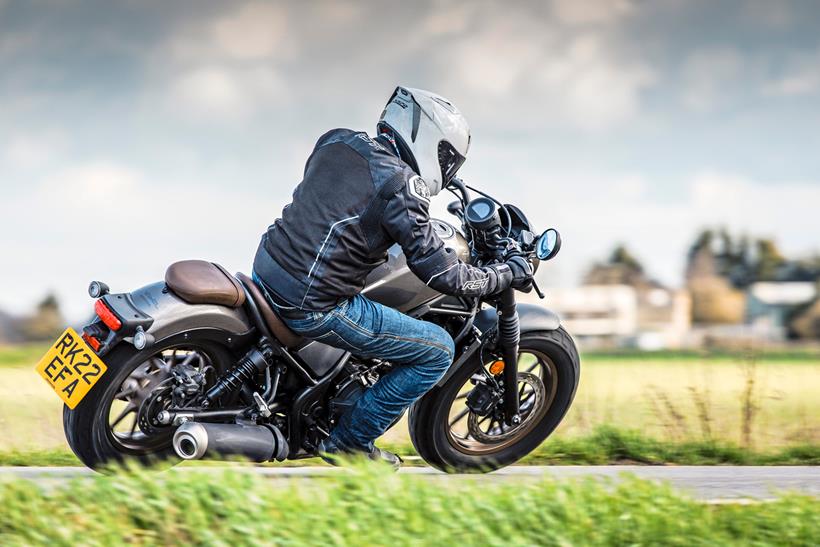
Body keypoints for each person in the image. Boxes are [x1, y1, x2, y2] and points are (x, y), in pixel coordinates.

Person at [252, 86, 533, 468]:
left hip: (269, 265)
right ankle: (349, 443)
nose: (449, 169)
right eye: (448, 158)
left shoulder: (337, 141)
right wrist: (501, 274)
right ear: (432, 142)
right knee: (436, 351)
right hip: (312, 303)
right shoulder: (402, 187)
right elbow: (445, 274)